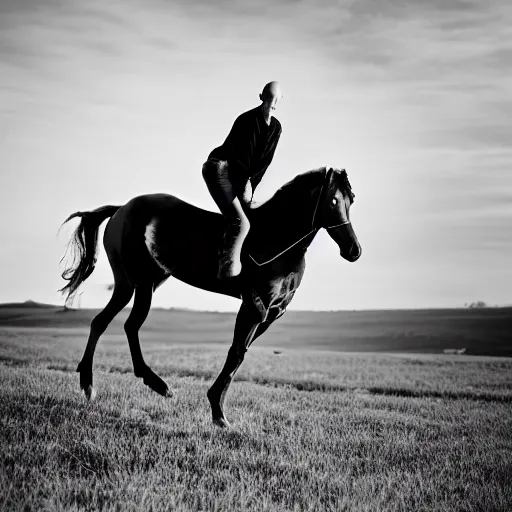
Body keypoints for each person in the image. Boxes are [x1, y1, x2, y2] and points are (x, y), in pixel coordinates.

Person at [202, 81, 283, 279]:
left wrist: (251, 189)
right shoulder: (246, 120)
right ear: (260, 97)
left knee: (253, 214)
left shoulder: (276, 128)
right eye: (268, 98)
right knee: (241, 222)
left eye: (275, 100)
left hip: (241, 176)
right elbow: (240, 160)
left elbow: (264, 164)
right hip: (219, 168)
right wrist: (245, 190)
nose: (271, 103)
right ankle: (227, 273)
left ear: (280, 101)